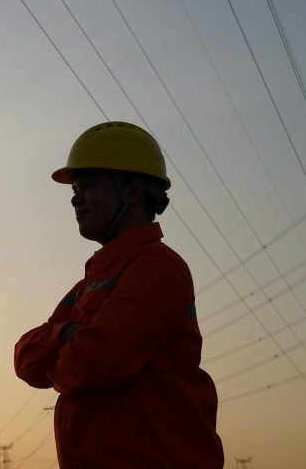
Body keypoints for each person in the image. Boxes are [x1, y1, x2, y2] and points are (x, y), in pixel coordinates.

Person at [14, 121, 224, 469]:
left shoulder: (157, 268)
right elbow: (27, 361)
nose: (75, 198)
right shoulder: (94, 279)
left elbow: (88, 364)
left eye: (89, 186)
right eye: (75, 188)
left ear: (133, 191)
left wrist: (61, 342)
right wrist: (68, 334)